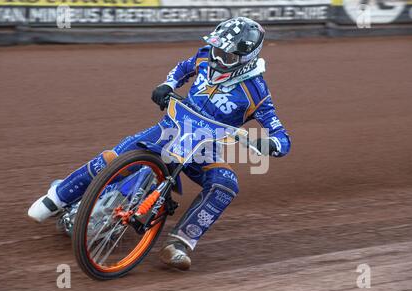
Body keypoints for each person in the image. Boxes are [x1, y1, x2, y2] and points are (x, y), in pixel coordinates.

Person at [28, 17, 291, 271]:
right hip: (168, 131)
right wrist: (167, 84)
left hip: (204, 151)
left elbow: (283, 138)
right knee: (114, 158)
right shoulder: (204, 55)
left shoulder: (257, 93)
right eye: (217, 50)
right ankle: (57, 197)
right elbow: (182, 68)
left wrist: (270, 145)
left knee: (225, 185)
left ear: (247, 59)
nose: (218, 59)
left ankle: (180, 244)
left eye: (228, 56)